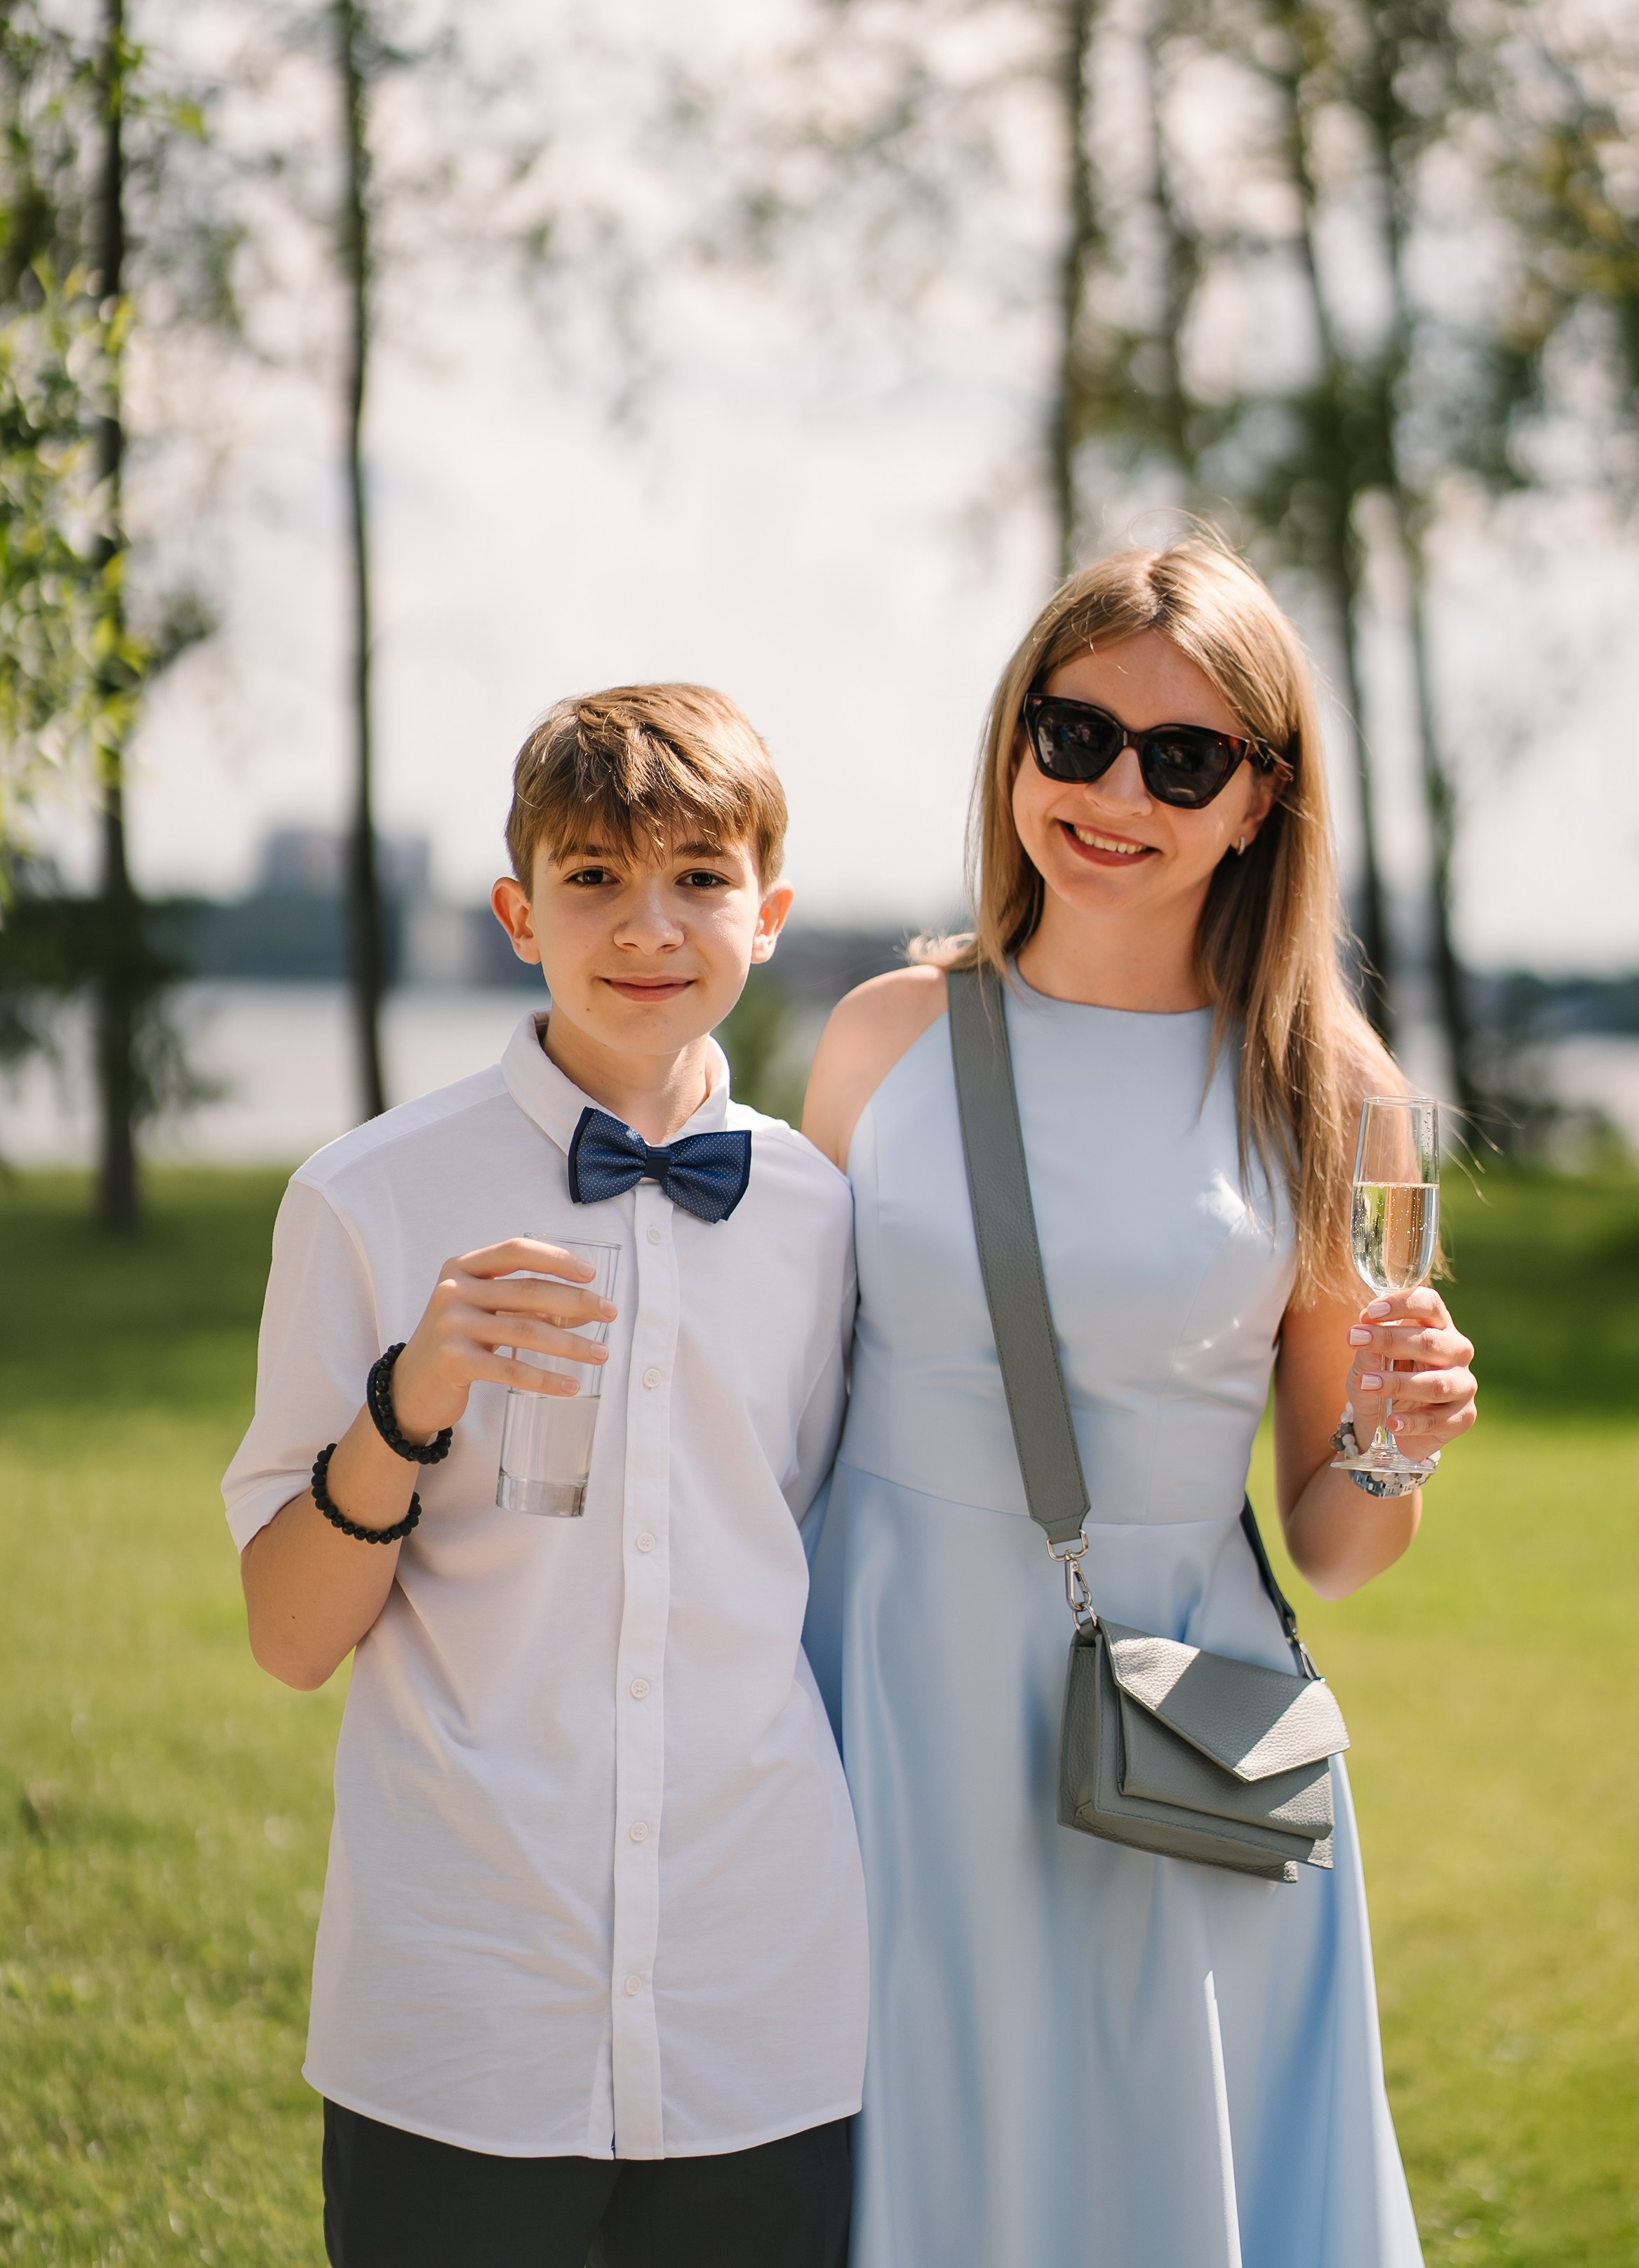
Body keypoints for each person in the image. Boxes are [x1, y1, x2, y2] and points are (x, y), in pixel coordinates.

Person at [801, 539, 1479, 2268]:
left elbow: (1337, 1542)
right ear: (1014, 738)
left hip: (1167, 1744)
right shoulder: (882, 1038)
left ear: (1262, 799)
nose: (1115, 790)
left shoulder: (1331, 1093)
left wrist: (1397, 1431)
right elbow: (780, 1424)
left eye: (1183, 760)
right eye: (1075, 731)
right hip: (875, 1698)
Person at [225, 685, 864, 2268]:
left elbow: (829, 1544)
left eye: (700, 877)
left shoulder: (828, 1218)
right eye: (593, 875)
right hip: (460, 2006)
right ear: (520, 910)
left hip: (760, 2006)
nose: (648, 923)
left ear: (769, 913)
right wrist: (411, 1395)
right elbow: (290, 1636)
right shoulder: (366, 1198)